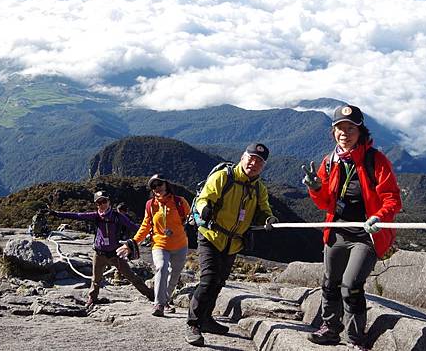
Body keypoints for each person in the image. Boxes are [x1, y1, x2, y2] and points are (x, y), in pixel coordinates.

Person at [302, 104, 402, 351]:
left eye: (350, 128)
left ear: (361, 131)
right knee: (330, 282)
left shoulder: (375, 160)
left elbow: (392, 198)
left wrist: (379, 217)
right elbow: (327, 202)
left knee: (351, 284)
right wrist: (315, 189)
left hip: (366, 235)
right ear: (333, 131)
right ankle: (330, 329)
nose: (344, 133)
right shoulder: (330, 162)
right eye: (339, 128)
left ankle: (356, 338)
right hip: (337, 230)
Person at [185, 143, 278, 347]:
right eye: (251, 158)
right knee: (209, 280)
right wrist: (204, 209)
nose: (253, 163)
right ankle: (193, 324)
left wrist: (269, 218)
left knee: (219, 282)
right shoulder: (224, 177)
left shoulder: (258, 188)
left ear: (263, 166)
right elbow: (204, 198)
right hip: (211, 235)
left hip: (233, 242)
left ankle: (207, 319)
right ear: (242, 157)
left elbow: (264, 209)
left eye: (259, 162)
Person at [49, 190, 154, 307]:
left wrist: (150, 233)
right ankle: (92, 299)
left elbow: (133, 226)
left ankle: (152, 295)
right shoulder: (96, 216)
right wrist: (56, 213)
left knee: (132, 277)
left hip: (115, 254)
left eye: (104, 201)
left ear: (109, 202)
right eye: (99, 203)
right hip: (99, 254)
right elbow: (77, 216)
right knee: (96, 279)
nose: (101, 205)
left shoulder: (118, 217)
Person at [117, 174, 190, 317]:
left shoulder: (180, 202)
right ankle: (159, 304)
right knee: (161, 268)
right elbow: (145, 227)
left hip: (180, 245)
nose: (157, 188)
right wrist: (131, 244)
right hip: (159, 244)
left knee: (174, 276)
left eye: (160, 184)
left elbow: (192, 216)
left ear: (166, 184)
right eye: (153, 186)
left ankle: (165, 300)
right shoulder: (151, 205)